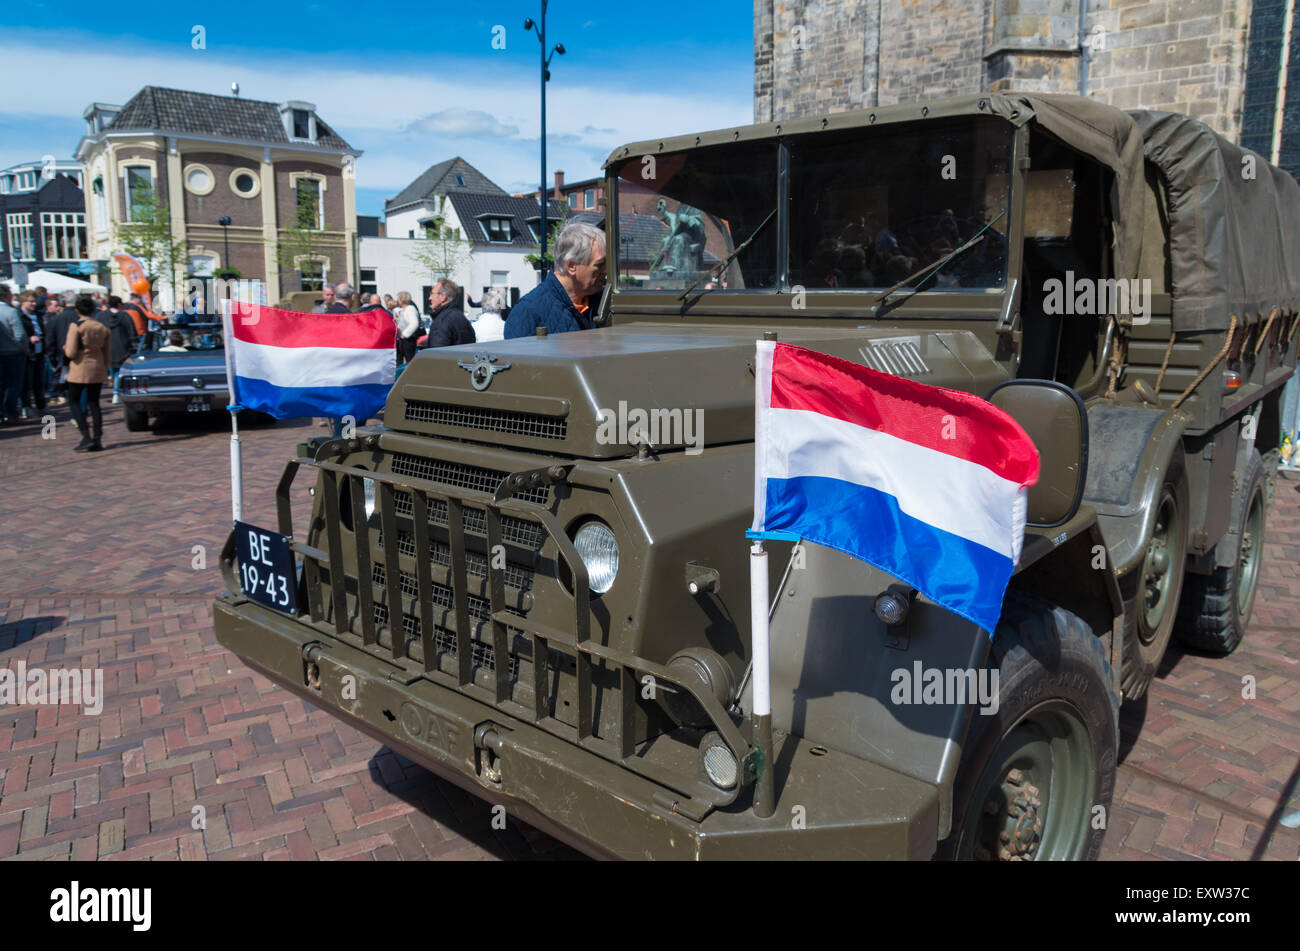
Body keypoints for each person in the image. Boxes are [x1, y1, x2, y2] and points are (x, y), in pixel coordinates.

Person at [504, 222, 606, 338]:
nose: (606, 270)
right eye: (600, 264)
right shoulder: (526, 313)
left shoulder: (604, 303)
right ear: (571, 266)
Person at [64, 295, 111, 451]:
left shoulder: (76, 326)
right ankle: (97, 438)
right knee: (94, 404)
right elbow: (107, 353)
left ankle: (85, 435)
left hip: (79, 367)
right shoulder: (102, 327)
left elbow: (70, 352)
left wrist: (65, 348)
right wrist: (106, 368)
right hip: (97, 367)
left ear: (77, 310)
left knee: (74, 402)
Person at [0, 284, 31, 424]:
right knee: (14, 385)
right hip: (13, 353)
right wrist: (25, 349)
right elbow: (20, 335)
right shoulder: (11, 312)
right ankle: (12, 413)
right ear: (6, 296)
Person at [99, 296, 138, 404]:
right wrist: (133, 343)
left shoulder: (101, 316)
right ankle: (116, 392)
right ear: (119, 305)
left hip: (105, 346)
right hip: (121, 346)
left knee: (111, 368)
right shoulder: (125, 316)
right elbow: (132, 331)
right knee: (118, 370)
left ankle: (109, 379)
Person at [44, 291, 78, 406]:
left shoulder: (55, 319)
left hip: (61, 354)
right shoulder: (80, 318)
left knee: (63, 377)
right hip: (79, 354)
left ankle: (61, 395)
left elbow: (50, 341)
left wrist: (52, 357)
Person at [17, 291, 47, 417]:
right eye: (31, 301)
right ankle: (26, 406)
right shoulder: (19, 316)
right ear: (23, 302)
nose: (34, 304)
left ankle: (41, 406)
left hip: (39, 352)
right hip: (27, 353)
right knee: (26, 383)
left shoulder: (38, 315)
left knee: (39, 382)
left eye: (34, 301)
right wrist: (29, 338)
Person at [425, 279, 475, 348]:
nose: (429, 298)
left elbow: (437, 354)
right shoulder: (461, 317)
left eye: (432, 294)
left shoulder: (442, 321)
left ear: (443, 296)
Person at [394, 291, 421, 362]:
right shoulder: (403, 309)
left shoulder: (410, 309)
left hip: (408, 340)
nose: (397, 300)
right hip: (402, 340)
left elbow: (415, 323)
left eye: (398, 298)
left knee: (409, 360)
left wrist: (404, 334)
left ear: (402, 299)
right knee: (400, 360)